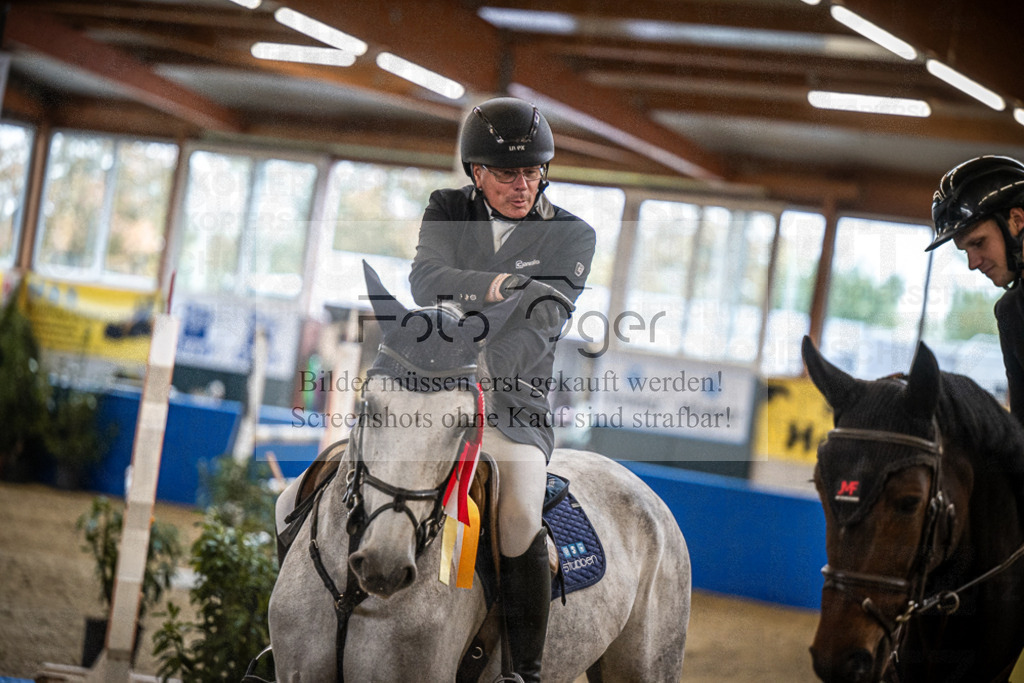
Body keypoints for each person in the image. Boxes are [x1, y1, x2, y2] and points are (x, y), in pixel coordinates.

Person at [409, 96, 596, 682]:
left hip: (513, 406)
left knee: (516, 514)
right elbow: (423, 281)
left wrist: (484, 369)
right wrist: (498, 283)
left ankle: (526, 669)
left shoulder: (572, 236)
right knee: (361, 477)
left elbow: (543, 321)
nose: (524, 185)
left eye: (534, 171)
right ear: (477, 173)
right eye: (509, 173)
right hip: (430, 394)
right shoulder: (445, 208)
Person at [927, 155, 1024, 424]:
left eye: (978, 243)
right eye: (966, 251)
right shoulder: (1010, 312)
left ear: (1017, 220)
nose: (973, 263)